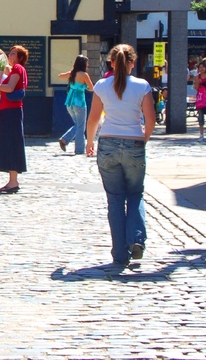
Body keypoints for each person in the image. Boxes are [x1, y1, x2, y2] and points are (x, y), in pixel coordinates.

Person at [86, 43, 156, 266]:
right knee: (135, 194)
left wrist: (89, 142)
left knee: (115, 199)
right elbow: (150, 120)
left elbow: (94, 118)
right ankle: (135, 238)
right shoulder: (142, 86)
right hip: (134, 142)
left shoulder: (101, 86)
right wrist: (143, 139)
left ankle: (118, 253)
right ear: (132, 64)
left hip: (108, 142)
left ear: (111, 63)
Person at [0, 45, 29, 193]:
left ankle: (13, 182)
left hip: (12, 111)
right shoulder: (14, 69)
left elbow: (10, 88)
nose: (10, 56)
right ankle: (12, 180)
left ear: (19, 57)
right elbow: (1, 67)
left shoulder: (18, 69)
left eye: (13, 54)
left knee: (12, 143)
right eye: (10, 53)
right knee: (9, 143)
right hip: (8, 111)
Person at [58, 55, 94, 155]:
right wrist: (84, 86)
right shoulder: (84, 75)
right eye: (87, 62)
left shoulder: (72, 73)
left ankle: (65, 139)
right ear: (83, 64)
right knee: (81, 127)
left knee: (78, 125)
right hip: (79, 102)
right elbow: (91, 88)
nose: (88, 64)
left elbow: (60, 76)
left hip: (69, 102)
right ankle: (78, 149)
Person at [194, 62, 206, 141]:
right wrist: (198, 82)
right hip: (201, 97)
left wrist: (204, 85)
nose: (201, 69)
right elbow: (196, 87)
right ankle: (201, 134)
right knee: (200, 116)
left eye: (203, 67)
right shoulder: (197, 76)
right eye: (200, 67)